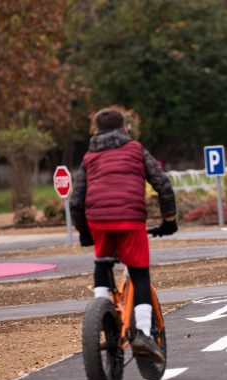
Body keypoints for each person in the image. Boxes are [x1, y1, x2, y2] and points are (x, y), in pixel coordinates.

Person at [71, 107, 177, 362]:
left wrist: (85, 233)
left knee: (102, 261)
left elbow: (76, 201)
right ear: (124, 128)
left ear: (96, 131)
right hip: (130, 219)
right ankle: (142, 332)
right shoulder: (135, 149)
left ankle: (101, 315)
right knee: (139, 272)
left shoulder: (89, 156)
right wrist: (169, 220)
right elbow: (162, 184)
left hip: (99, 222)